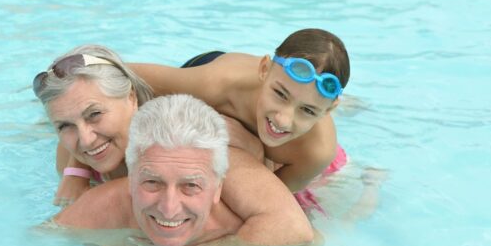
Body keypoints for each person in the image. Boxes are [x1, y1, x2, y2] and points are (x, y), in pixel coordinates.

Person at [46, 94, 322, 246]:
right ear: (129, 181)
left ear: (218, 188)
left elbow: (304, 239)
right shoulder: (101, 208)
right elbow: (38, 243)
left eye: (190, 186)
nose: (169, 209)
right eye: (152, 182)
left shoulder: (250, 226)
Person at [128, 28, 350, 199]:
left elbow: (268, 199)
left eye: (308, 110)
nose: (283, 119)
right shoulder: (216, 84)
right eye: (280, 94)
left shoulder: (316, 153)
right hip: (214, 77)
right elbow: (124, 73)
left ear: (329, 110)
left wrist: (255, 152)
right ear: (264, 70)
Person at [32, 44, 154, 206]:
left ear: (131, 97)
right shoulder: (68, 157)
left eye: (94, 114)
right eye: (65, 125)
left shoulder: (172, 147)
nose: (86, 141)